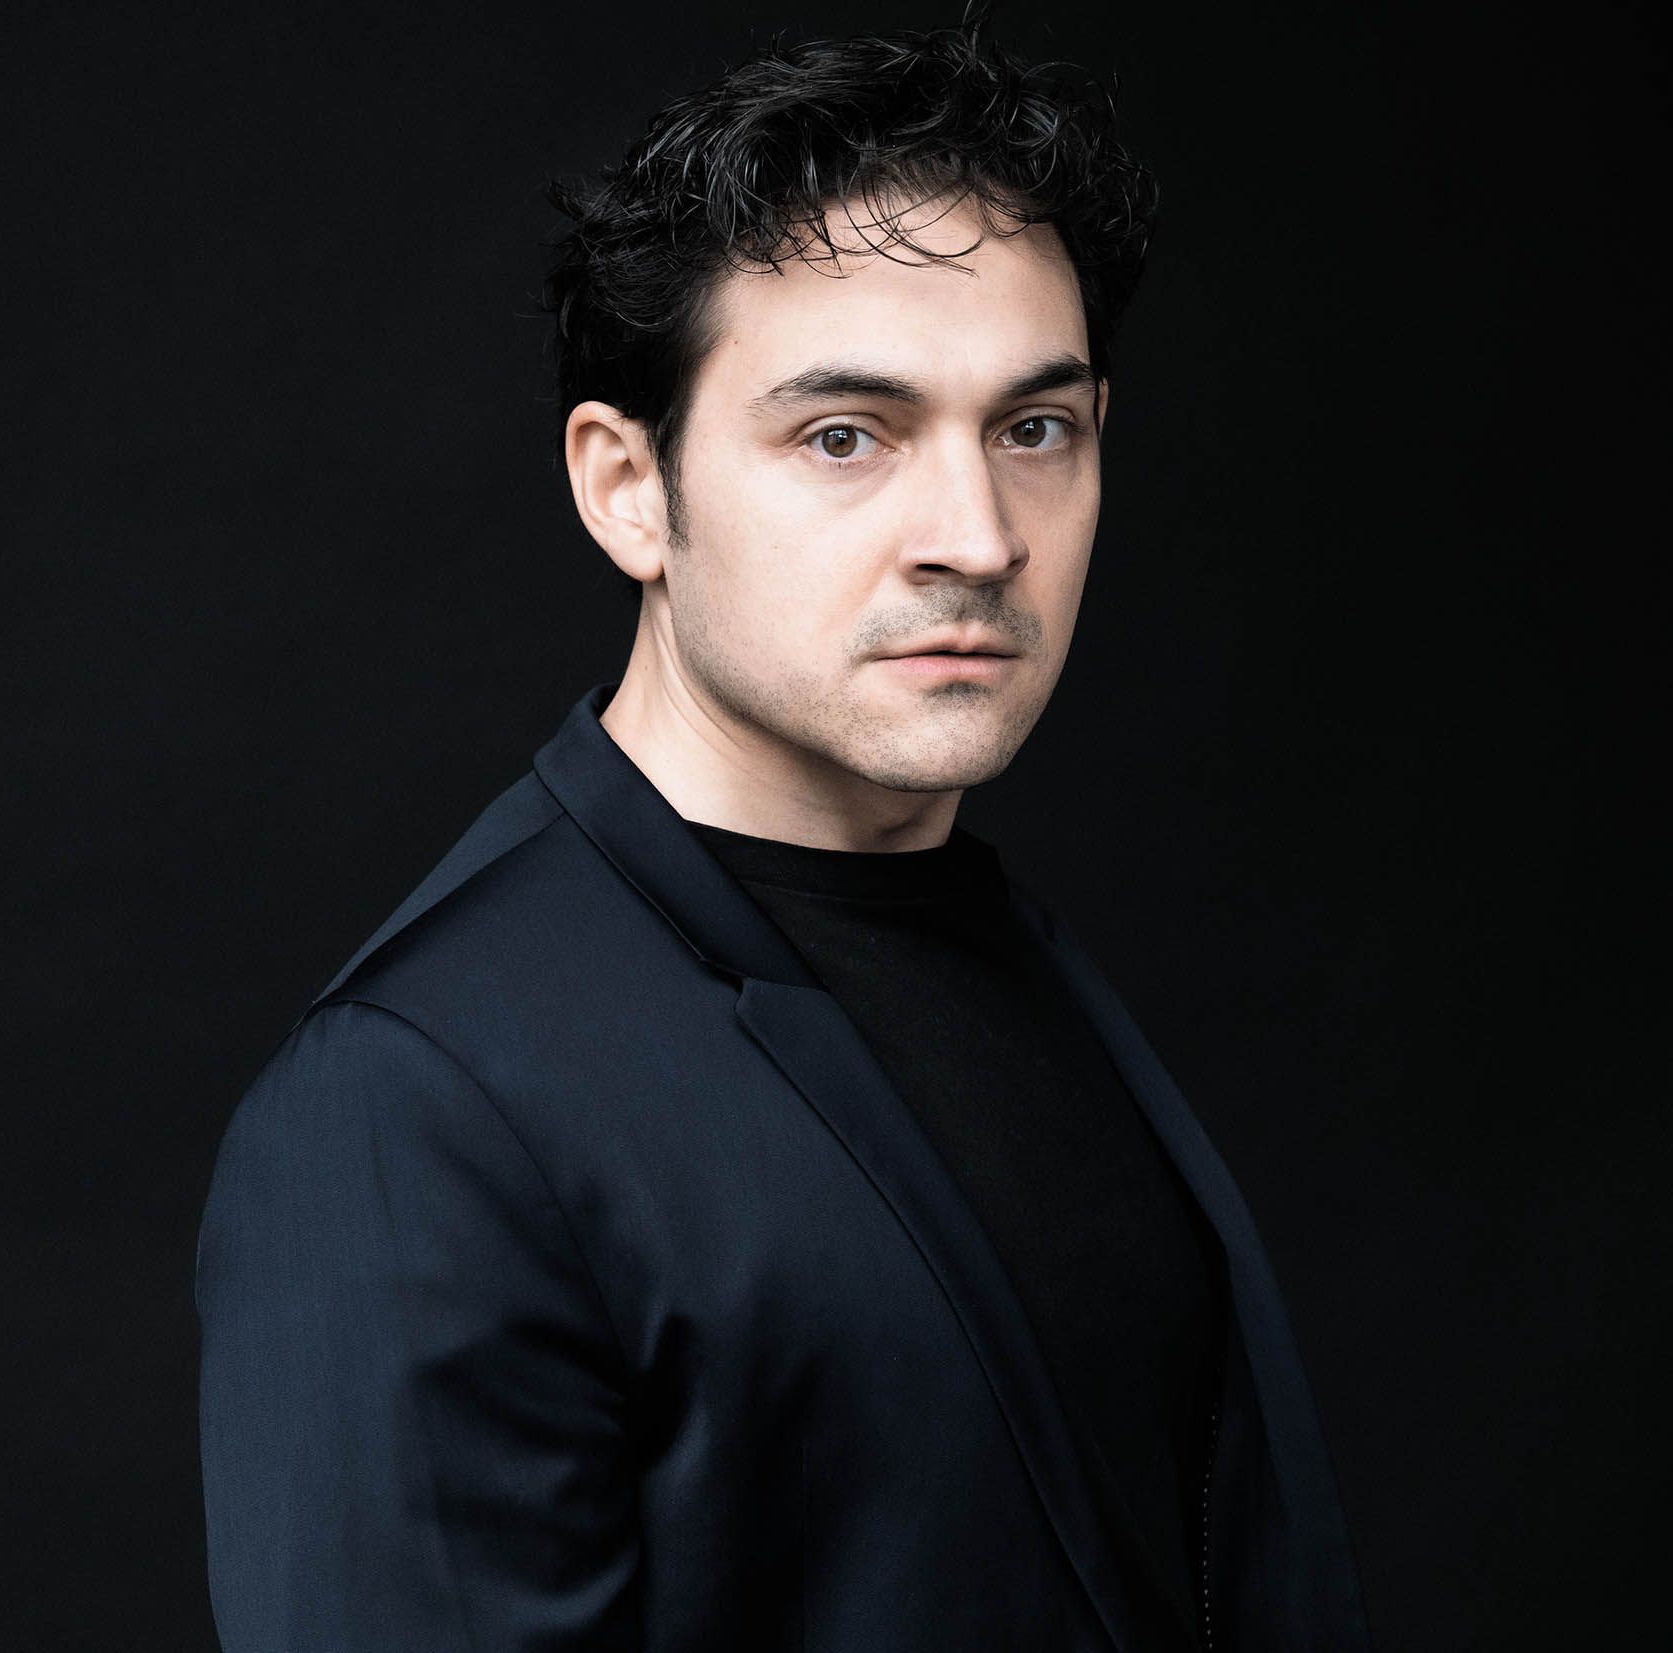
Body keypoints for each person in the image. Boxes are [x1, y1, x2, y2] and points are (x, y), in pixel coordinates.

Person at [195, 19, 1373, 1651]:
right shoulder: (413, 1104)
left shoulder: (991, 944)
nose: (976, 538)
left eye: (1033, 428)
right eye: (844, 435)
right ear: (627, 487)